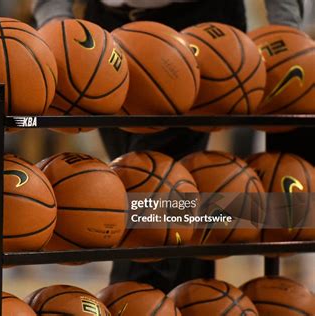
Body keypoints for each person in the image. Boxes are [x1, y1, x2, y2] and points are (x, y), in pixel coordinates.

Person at [33, 0, 305, 293]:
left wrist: (285, 27)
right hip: (104, 29)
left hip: (198, 26)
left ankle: (137, 300)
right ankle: (191, 299)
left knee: (152, 194)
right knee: (140, 182)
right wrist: (55, 21)